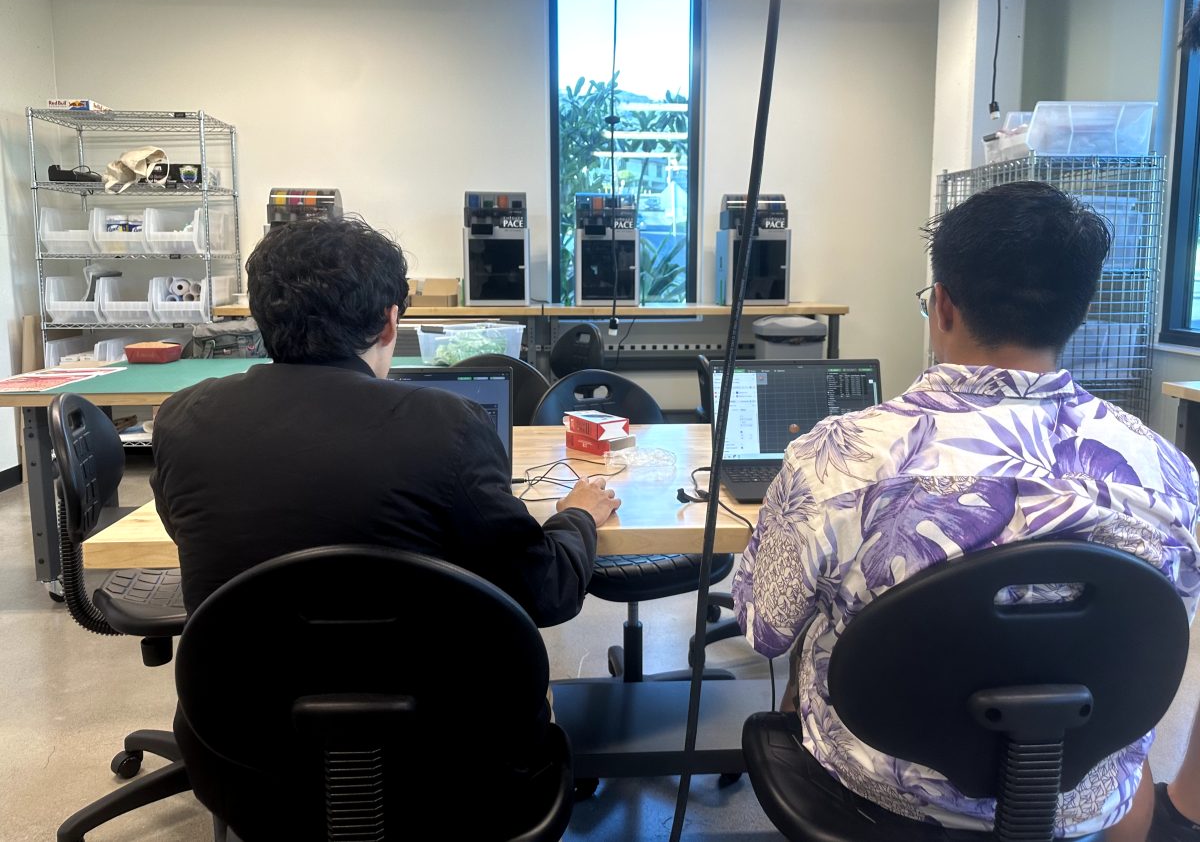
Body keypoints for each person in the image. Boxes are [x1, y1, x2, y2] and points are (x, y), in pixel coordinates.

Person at [732, 181, 1200, 838]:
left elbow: (764, 630)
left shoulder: (837, 456)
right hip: (1076, 792)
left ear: (944, 305)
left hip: (879, 787)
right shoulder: (1166, 470)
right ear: (1081, 309)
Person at [152, 216, 620, 619]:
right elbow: (546, 593)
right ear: (389, 321)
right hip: (434, 721)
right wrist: (576, 515)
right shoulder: (449, 425)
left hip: (236, 719)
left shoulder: (181, 420)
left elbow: (192, 533)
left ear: (260, 317)